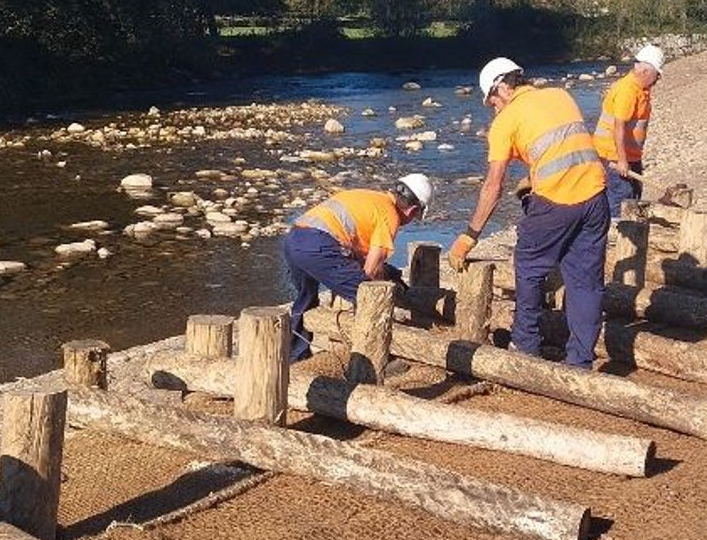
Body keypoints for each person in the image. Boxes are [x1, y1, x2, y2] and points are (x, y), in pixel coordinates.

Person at [447, 57, 609, 369]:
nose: (492, 106)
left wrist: (469, 236)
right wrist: (533, 178)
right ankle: (580, 361)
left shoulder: (505, 122)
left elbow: (493, 186)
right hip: (596, 196)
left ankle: (525, 345)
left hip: (556, 202)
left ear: (503, 87)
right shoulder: (560, 95)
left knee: (530, 267)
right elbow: (563, 148)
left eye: (492, 99)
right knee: (585, 282)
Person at [284, 174, 433, 361]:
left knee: (306, 296)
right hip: (319, 246)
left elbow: (356, 249)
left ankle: (296, 356)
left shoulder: (368, 196)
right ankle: (373, 357)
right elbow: (371, 270)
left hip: (293, 238)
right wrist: (383, 288)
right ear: (412, 210)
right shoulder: (390, 215)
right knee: (367, 296)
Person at [594, 44, 663, 218]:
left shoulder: (642, 90)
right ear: (646, 71)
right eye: (657, 75)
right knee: (620, 202)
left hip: (630, 157)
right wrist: (623, 161)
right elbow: (619, 127)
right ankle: (617, 238)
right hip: (614, 158)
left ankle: (630, 234)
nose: (658, 80)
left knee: (633, 199)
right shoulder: (627, 90)